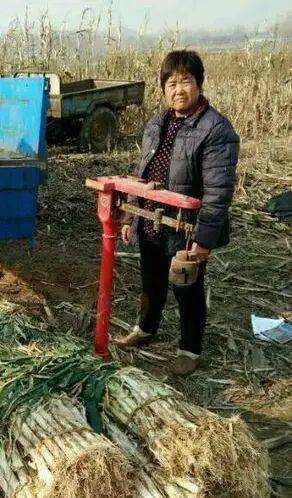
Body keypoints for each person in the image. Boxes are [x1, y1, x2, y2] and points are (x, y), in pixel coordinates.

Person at [117, 50, 239, 376]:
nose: (178, 90)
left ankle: (189, 349)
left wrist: (204, 238)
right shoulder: (157, 123)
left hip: (185, 227)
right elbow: (142, 172)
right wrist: (131, 216)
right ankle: (145, 328)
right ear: (163, 88)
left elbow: (218, 191)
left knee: (187, 287)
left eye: (185, 81)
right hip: (151, 218)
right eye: (171, 83)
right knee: (150, 280)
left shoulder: (216, 130)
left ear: (199, 83)